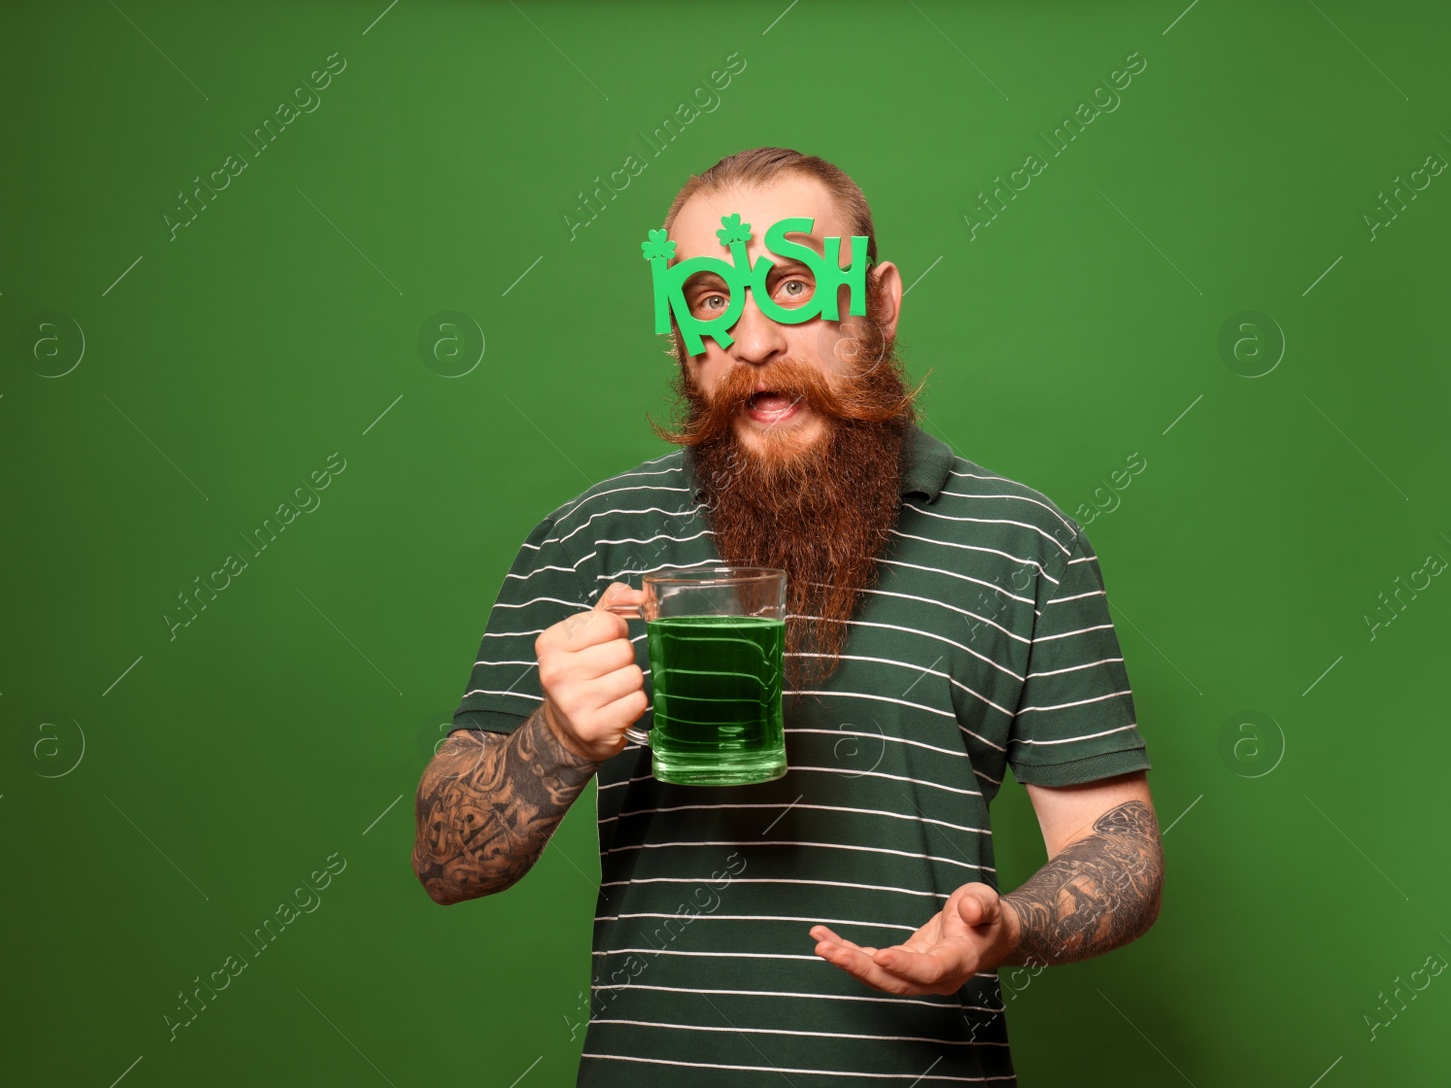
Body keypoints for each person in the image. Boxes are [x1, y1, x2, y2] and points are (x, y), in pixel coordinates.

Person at [411, 146, 1164, 1086]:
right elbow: (445, 859)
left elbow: (1118, 848)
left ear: (880, 304)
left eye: (796, 286)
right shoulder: (590, 539)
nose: (755, 339)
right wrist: (556, 739)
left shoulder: (1023, 543)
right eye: (710, 299)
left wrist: (1006, 926)